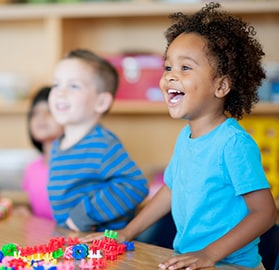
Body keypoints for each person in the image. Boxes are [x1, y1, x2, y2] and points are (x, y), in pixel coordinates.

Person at [81, 3, 277, 269]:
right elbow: (170, 191)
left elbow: (264, 213)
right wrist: (125, 234)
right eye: (168, 68)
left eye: (185, 68)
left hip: (232, 265)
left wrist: (209, 254)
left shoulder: (232, 143)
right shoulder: (186, 137)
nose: (171, 77)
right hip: (192, 261)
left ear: (221, 85)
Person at [47, 48, 149, 232]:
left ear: (101, 102)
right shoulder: (57, 145)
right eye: (56, 85)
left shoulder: (102, 144)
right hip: (71, 242)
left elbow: (134, 186)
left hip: (100, 248)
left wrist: (84, 215)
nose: (60, 93)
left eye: (73, 86)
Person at [21, 86, 63, 219]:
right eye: (35, 113)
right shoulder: (31, 168)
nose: (41, 118)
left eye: (50, 111)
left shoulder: (76, 167)